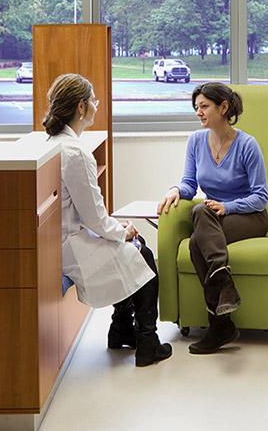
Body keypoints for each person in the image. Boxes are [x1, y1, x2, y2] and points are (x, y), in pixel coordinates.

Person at [44, 73, 171, 367]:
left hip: (63, 239)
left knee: (130, 253)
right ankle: (147, 342)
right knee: (142, 254)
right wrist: (124, 232)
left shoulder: (53, 143)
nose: (96, 106)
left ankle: (121, 330)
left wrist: (116, 231)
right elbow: (95, 218)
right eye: (94, 101)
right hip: (70, 246)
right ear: (80, 107)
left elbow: (91, 216)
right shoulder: (76, 153)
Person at [157, 82, 268, 354]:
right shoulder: (196, 140)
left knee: (199, 225)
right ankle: (222, 308)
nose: (199, 112)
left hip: (249, 216)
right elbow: (188, 183)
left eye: (204, 106)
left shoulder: (247, 145)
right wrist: (174, 190)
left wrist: (227, 206)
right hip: (213, 218)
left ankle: (220, 325)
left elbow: (261, 196)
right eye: (196, 107)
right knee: (198, 232)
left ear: (223, 107)